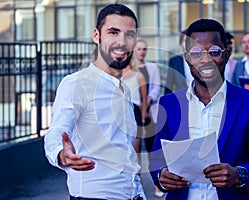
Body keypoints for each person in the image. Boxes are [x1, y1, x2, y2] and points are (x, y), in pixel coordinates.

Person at [149, 18, 249, 200]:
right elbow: (156, 159)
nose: (205, 60)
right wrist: (161, 177)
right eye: (196, 52)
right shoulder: (169, 104)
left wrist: (238, 175)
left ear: (226, 55)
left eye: (214, 51)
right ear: (186, 57)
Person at [44, 4, 146, 200]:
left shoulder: (123, 88)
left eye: (129, 35)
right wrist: (61, 155)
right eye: (113, 32)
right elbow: (56, 131)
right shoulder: (76, 83)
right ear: (96, 35)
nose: (122, 42)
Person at [133, 38, 162, 197]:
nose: (142, 52)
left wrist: (148, 102)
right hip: (135, 111)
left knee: (153, 148)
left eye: (144, 49)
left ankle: (158, 183)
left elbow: (156, 87)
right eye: (139, 49)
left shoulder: (152, 67)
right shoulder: (128, 69)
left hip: (152, 111)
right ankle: (135, 184)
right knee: (134, 149)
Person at [122, 60, 148, 155]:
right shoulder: (114, 76)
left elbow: (144, 101)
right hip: (119, 113)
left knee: (135, 153)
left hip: (135, 113)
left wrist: (143, 123)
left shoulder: (139, 76)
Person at [164, 29, 193, 94]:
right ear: (181, 43)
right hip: (181, 99)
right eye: (185, 41)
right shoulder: (174, 62)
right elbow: (169, 85)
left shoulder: (201, 60)